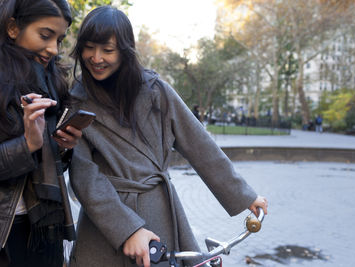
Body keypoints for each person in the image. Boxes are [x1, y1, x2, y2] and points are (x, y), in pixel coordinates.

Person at [68, 6, 268, 267]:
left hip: (158, 210)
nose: (96, 58)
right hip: (106, 222)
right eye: (89, 48)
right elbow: (84, 176)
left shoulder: (156, 90)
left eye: (107, 50)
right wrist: (127, 230)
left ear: (125, 51)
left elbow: (199, 143)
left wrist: (244, 195)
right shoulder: (76, 100)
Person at [0, 1, 82, 266]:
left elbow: (52, 165)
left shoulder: (50, 77)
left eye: (59, 39)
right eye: (45, 36)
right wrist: (26, 145)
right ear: (13, 28)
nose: (54, 49)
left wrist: (63, 146)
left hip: (43, 233)